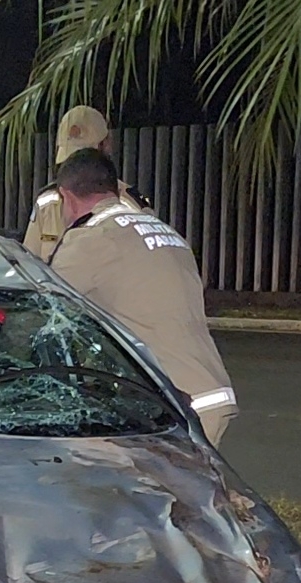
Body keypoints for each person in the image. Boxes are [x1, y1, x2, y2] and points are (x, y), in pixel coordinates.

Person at [48, 147, 236, 446]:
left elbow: (44, 310)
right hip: (207, 393)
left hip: (172, 407)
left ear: (65, 197)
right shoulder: (162, 229)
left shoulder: (91, 238)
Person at [23, 105, 150, 262]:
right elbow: (28, 263)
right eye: (70, 160)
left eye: (87, 158)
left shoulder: (130, 207)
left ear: (107, 145)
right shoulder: (47, 202)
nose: (77, 168)